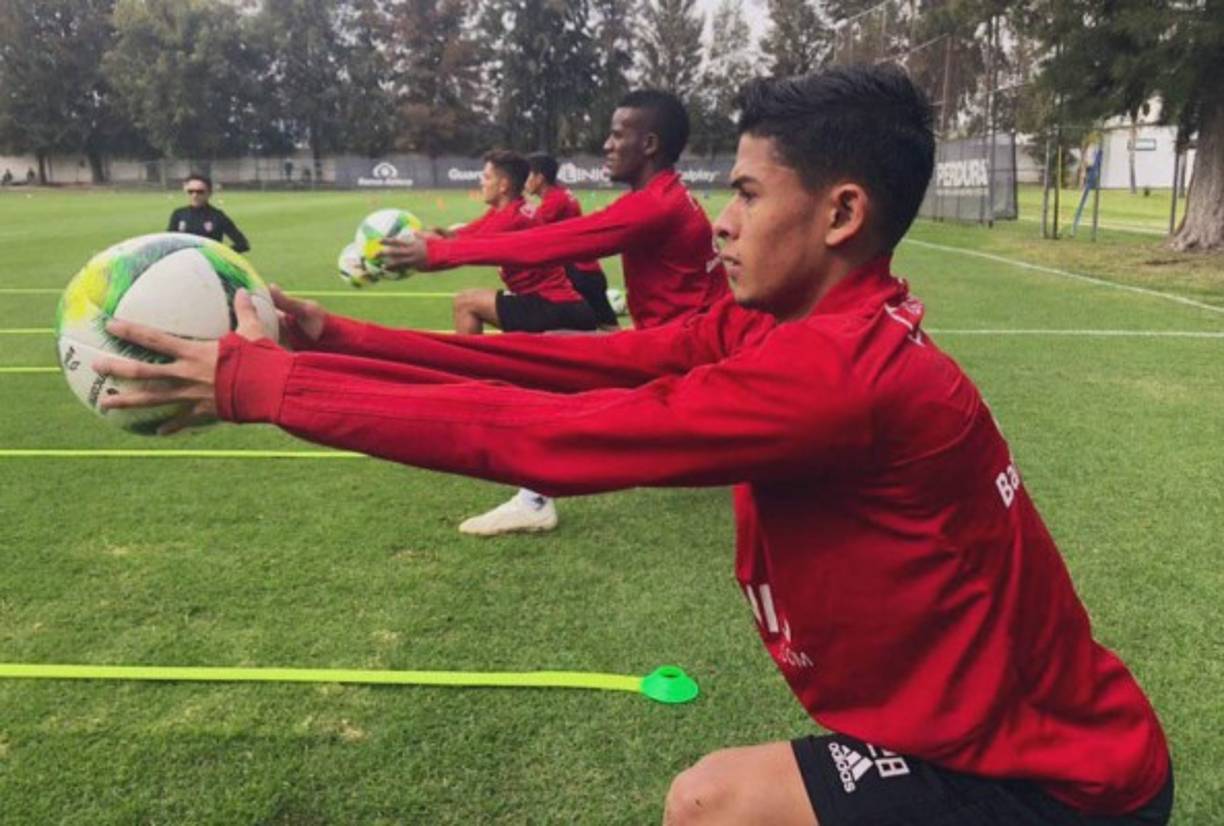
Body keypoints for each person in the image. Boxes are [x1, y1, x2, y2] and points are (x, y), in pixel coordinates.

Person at [97, 65, 1171, 826]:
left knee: (713, 803)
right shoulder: (784, 328)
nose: (722, 221)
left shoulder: (833, 378)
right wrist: (336, 337)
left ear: (841, 213)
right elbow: (573, 370)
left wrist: (260, 383)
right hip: (989, 744)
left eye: (747, 194)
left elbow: (551, 438)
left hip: (1056, 786)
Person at [380, 89, 731, 535]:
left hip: (681, 350)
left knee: (556, 373)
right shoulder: (666, 196)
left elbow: (562, 241)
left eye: (617, 134)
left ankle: (535, 499)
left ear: (649, 145)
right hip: (685, 345)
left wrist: (442, 253)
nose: (606, 144)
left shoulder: (655, 205)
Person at [428, 149, 596, 338]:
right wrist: (436, 234)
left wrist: (421, 255)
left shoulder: (511, 219)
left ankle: (469, 366)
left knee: (465, 303)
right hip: (560, 305)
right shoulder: (510, 209)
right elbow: (466, 234)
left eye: (487, 177)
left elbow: (467, 249)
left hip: (551, 307)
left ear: (503, 185)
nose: (481, 182)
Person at [525, 152, 621, 331]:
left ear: (539, 178)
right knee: (604, 328)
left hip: (579, 274)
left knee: (589, 330)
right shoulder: (560, 195)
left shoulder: (554, 201)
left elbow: (529, 234)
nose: (525, 180)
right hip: (586, 270)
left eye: (528, 174)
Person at [167, 173, 251, 253]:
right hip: (184, 264)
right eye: (190, 191)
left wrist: (220, 253)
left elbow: (243, 244)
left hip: (208, 265)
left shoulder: (217, 216)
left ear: (209, 193)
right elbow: (168, 242)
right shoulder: (178, 214)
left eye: (200, 192)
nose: (194, 195)